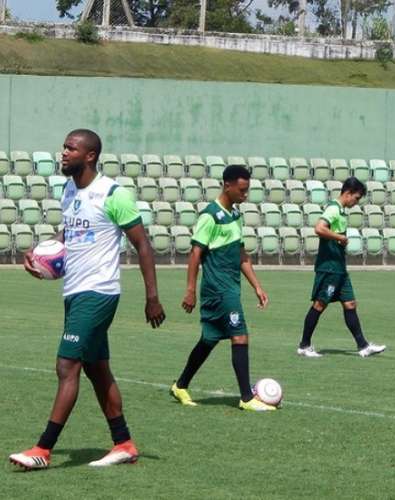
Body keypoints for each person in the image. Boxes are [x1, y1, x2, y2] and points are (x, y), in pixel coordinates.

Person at [10, 129, 166, 470]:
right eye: (63, 146)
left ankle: (43, 449)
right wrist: (41, 254)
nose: (63, 152)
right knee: (97, 369)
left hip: (99, 292)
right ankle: (123, 443)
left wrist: (152, 297)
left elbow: (143, 245)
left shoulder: (112, 194)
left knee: (67, 366)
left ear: (90, 155)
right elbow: (69, 233)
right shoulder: (68, 190)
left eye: (71, 148)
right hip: (74, 291)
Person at [170, 165, 275, 411]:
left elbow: (241, 255)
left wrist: (257, 287)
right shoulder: (210, 216)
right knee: (240, 336)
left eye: (247, 190)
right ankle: (247, 398)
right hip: (218, 290)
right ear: (227, 185)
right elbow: (195, 254)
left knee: (209, 339)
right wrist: (190, 290)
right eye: (242, 190)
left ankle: (181, 385)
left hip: (231, 287)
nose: (245, 195)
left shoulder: (236, 216)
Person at [296, 177, 386, 358]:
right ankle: (304, 345)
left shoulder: (341, 211)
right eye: (357, 198)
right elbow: (319, 228)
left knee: (350, 303)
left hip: (339, 268)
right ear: (348, 193)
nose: (356, 202)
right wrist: (339, 237)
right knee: (320, 304)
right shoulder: (333, 209)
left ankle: (363, 346)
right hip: (329, 267)